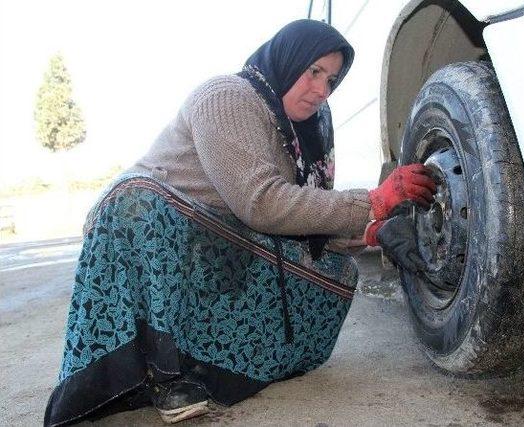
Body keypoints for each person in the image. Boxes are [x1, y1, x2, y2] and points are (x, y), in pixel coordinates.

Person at [44, 19, 435, 426]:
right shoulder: (228, 97)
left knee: (335, 276)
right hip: (144, 231)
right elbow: (261, 202)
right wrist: (372, 201)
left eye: (332, 80)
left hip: (217, 234)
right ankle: (161, 373)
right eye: (313, 71)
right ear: (287, 61)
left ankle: (210, 365)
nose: (321, 90)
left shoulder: (308, 129)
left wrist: (370, 232)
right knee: (140, 203)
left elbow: (300, 214)